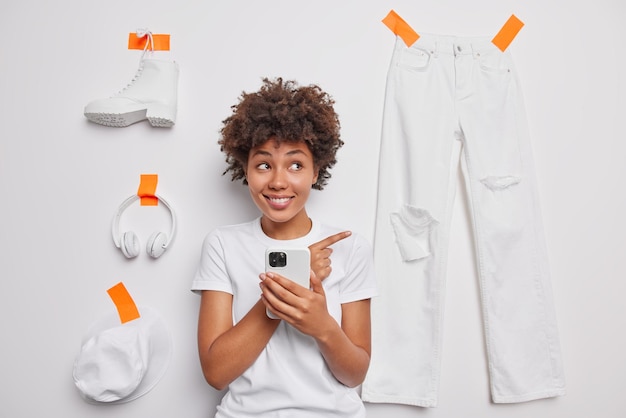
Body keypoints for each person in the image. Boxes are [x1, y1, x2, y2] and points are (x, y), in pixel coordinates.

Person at [192, 77, 378, 417]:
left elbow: (354, 374)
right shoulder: (222, 245)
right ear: (245, 170)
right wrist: (289, 289)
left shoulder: (351, 249)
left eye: (295, 165)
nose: (278, 181)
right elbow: (216, 373)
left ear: (315, 171)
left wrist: (322, 325)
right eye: (263, 164)